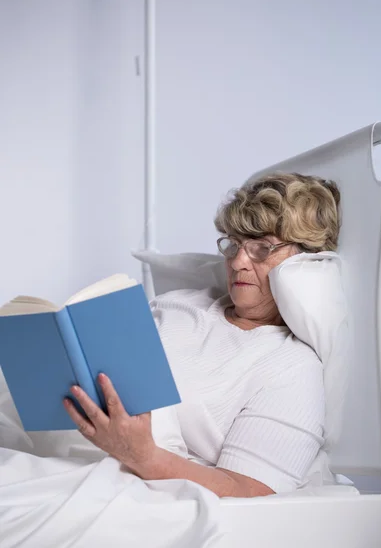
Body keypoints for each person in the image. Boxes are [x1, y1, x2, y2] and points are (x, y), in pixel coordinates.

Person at [63, 173, 341, 498]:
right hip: (67, 448)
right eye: (233, 244)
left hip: (132, 485)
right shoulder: (180, 303)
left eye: (262, 249)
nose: (238, 262)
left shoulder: (291, 365)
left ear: (306, 262)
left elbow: (251, 488)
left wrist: (143, 456)